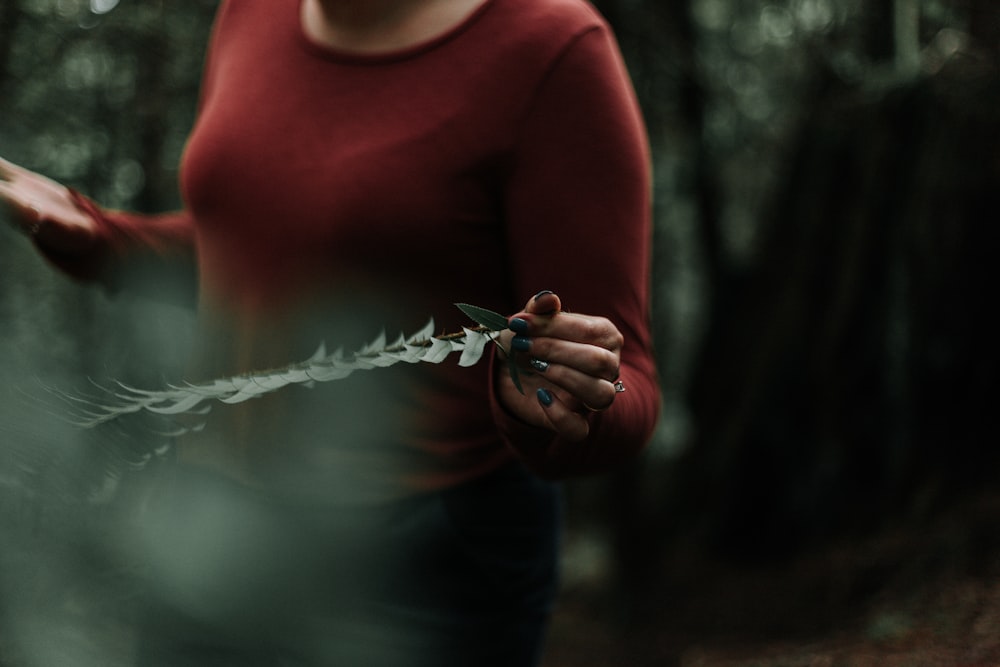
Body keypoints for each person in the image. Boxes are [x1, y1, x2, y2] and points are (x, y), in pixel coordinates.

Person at [0, 0, 659, 664]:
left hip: (424, 556)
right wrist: (106, 239)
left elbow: (624, 381)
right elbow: (267, 248)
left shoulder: (553, 46)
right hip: (213, 526)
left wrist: (552, 407)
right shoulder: (249, 12)